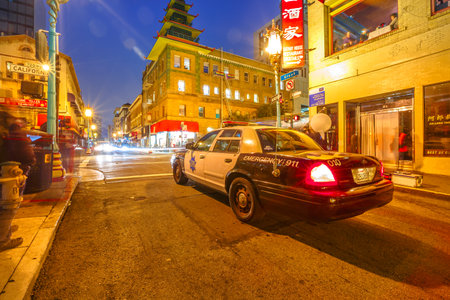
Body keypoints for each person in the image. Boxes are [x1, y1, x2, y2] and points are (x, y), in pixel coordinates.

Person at [0, 118, 36, 252]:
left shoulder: (8, 135)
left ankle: (5, 229)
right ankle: (3, 239)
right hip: (13, 173)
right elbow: (25, 152)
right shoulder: (16, 135)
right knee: (9, 206)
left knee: (6, 204)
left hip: (10, 172)